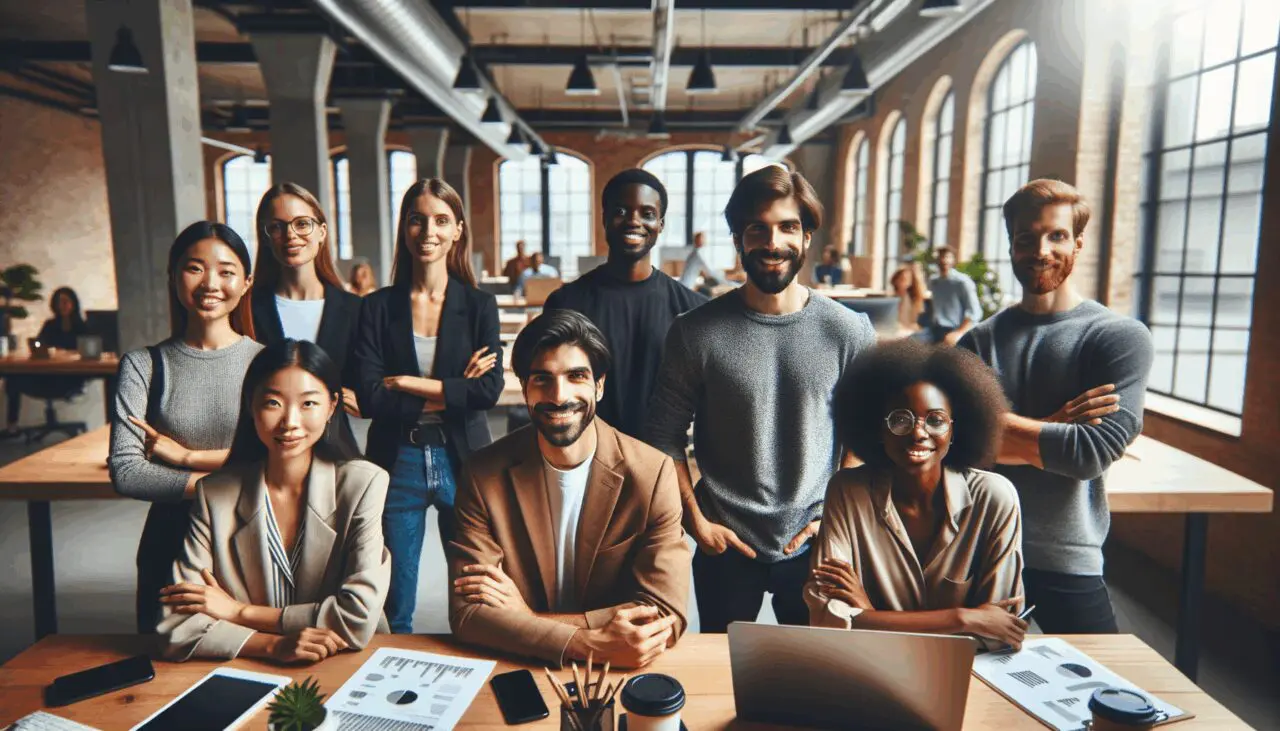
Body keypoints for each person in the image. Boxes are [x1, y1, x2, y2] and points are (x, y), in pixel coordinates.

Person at [645, 166, 877, 632]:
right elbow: (663, 438)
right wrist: (696, 523)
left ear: (807, 236)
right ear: (738, 238)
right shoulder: (695, 332)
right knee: (723, 673)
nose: (773, 242)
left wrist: (834, 517)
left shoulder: (849, 330)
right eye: (758, 228)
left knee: (813, 676)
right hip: (725, 542)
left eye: (788, 227)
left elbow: (864, 435)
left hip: (816, 542)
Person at [958, 179, 1153, 634]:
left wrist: (990, 428)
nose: (1040, 250)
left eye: (1056, 236)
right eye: (1026, 238)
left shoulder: (1116, 338)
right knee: (963, 692)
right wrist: (1050, 426)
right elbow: (950, 443)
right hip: (978, 550)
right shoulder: (979, 341)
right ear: (1011, 245)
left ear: (1078, 243)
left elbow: (1087, 454)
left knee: (1096, 696)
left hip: (1067, 555)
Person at [449, 310, 689, 667]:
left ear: (599, 385)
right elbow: (469, 615)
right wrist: (588, 643)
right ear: (525, 387)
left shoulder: (652, 474)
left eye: (576, 376)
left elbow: (663, 615)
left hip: (613, 672)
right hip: (519, 668)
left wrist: (526, 617)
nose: (559, 396)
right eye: (542, 379)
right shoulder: (483, 474)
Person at [157, 339, 391, 662]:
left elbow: (356, 618)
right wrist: (271, 645)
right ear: (251, 406)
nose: (290, 422)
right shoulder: (215, 495)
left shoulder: (364, 484)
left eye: (308, 404)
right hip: (249, 669)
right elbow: (176, 626)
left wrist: (240, 612)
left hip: (347, 665)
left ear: (332, 407)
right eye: (273, 403)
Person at [804, 339, 1028, 650]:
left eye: (935, 420)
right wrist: (963, 619)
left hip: (967, 674)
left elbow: (1001, 632)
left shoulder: (995, 498)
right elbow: (827, 617)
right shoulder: (848, 491)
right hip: (872, 667)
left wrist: (867, 615)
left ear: (955, 430)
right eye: (900, 419)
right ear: (877, 429)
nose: (918, 433)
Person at [353, 178, 503, 633]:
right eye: (416, 220)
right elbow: (369, 395)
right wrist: (451, 388)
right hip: (399, 459)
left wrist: (411, 383)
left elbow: (489, 391)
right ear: (404, 228)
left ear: (458, 229)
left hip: (462, 460)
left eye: (441, 220)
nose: (428, 231)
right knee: (397, 602)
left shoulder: (479, 305)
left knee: (473, 594)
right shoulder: (377, 308)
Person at [109, 221, 263, 633]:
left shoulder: (269, 363)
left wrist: (186, 461)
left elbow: (284, 460)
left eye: (227, 271)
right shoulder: (143, 365)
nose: (211, 283)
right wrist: (231, 478)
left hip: (256, 531)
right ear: (174, 277)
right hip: (171, 536)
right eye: (195, 268)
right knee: (169, 659)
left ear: (246, 282)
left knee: (260, 659)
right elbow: (126, 471)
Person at [542, 169, 706, 440]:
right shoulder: (566, 303)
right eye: (621, 211)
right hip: (585, 456)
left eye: (647, 214)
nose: (634, 221)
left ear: (661, 224)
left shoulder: (692, 309)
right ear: (604, 219)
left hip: (660, 461)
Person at [250, 183, 365, 453]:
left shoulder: (355, 310)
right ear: (266, 237)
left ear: (322, 231)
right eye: (277, 227)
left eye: (302, 224)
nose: (291, 235)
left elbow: (371, 385)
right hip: (265, 453)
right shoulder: (248, 309)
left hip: (335, 450)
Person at [3, 287, 89, 437]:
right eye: (58, 302)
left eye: (65, 301)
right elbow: (39, 345)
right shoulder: (50, 325)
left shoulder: (83, 326)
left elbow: (91, 350)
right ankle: (12, 426)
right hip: (47, 376)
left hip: (70, 379)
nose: (62, 305)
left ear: (74, 303)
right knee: (12, 379)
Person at [917, 246, 982, 346]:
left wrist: (959, 333)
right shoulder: (933, 281)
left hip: (955, 328)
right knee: (910, 343)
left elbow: (974, 312)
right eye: (940, 257)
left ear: (953, 260)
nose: (943, 260)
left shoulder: (962, 282)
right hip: (935, 328)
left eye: (947, 257)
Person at [889, 263, 927, 334]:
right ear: (895, 280)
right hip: (894, 331)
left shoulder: (913, 298)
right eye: (902, 279)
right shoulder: (890, 298)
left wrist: (918, 273)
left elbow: (914, 323)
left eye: (907, 279)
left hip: (909, 331)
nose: (904, 282)